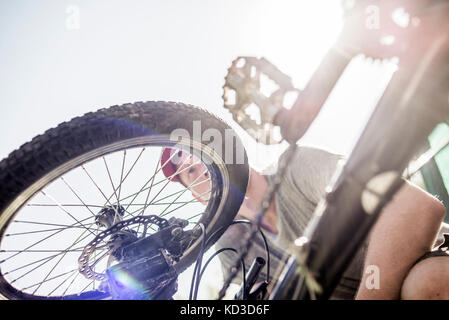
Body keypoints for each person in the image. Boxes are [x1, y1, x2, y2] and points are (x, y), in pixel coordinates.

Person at [160, 146, 449, 299]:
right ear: (201, 200)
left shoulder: (297, 166)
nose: (195, 166)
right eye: (190, 174)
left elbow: (416, 209)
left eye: (199, 156)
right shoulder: (230, 244)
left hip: (432, 260)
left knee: (427, 284)